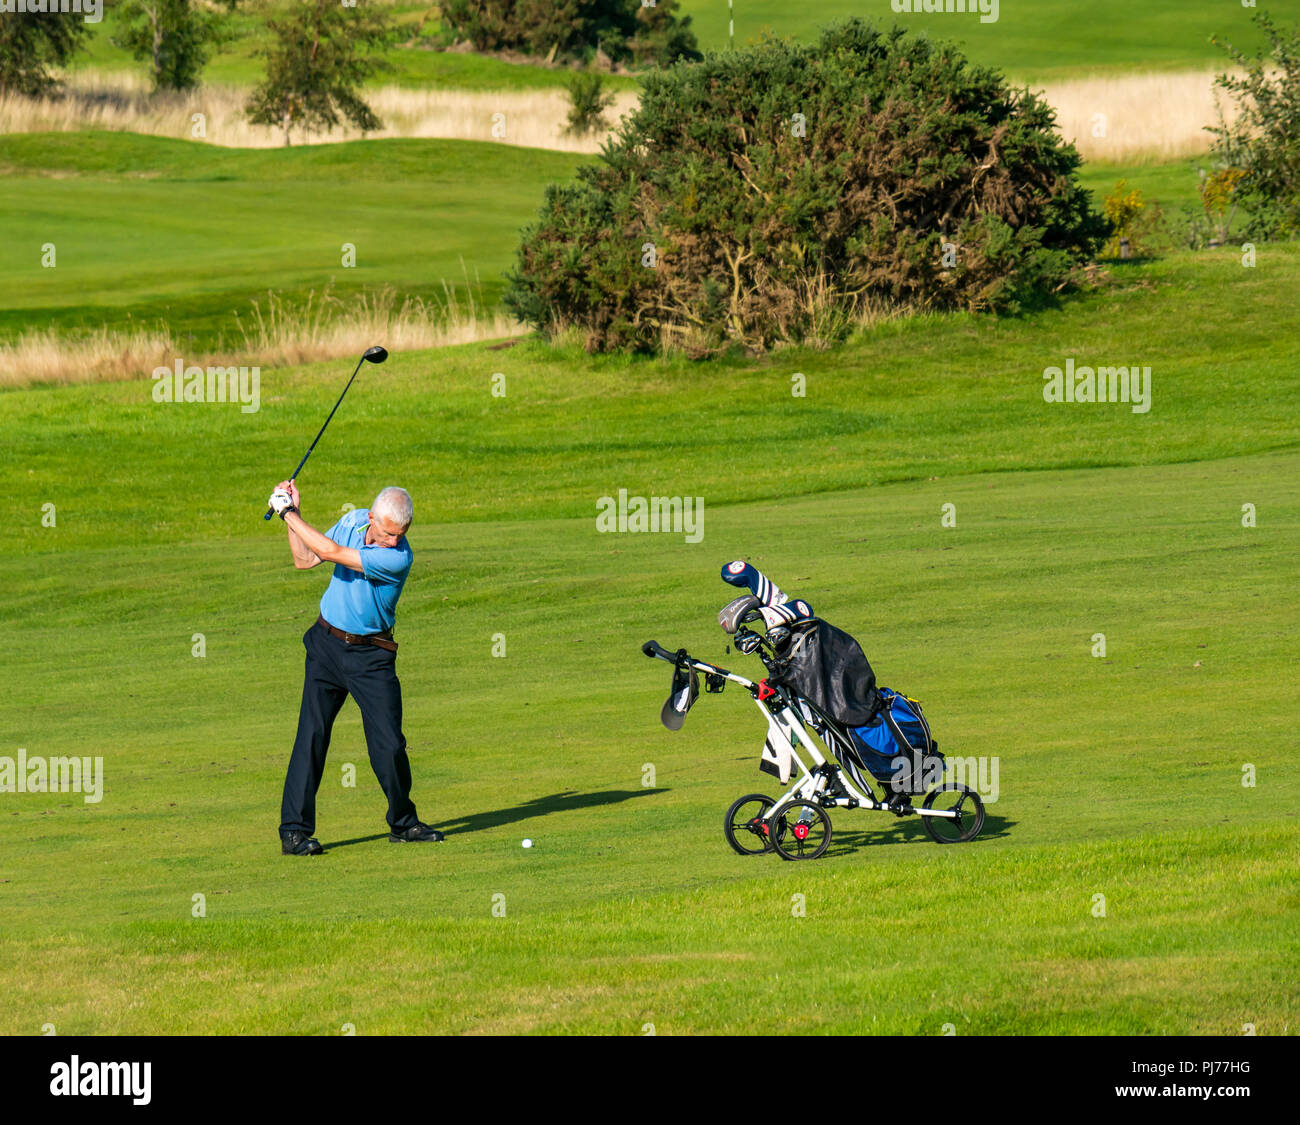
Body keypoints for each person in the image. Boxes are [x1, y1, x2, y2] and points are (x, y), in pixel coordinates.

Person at [267, 480, 443, 855]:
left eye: (401, 534)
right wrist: (292, 516)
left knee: (389, 744)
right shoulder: (351, 522)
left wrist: (288, 512)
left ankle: (403, 822)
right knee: (311, 737)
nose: (394, 540)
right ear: (370, 518)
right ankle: (294, 833)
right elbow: (305, 558)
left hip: (370, 658)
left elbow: (329, 552)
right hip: (326, 646)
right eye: (387, 532)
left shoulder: (397, 558)